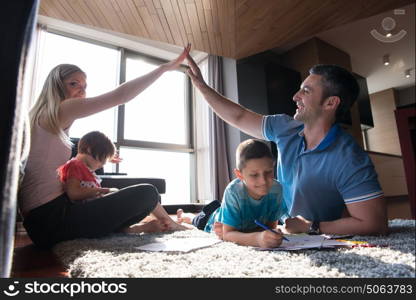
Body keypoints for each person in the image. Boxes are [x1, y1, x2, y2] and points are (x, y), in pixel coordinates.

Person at [186, 54, 387, 236]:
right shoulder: (285, 126)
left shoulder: (350, 158)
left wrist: (311, 226)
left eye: (305, 91)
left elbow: (375, 224)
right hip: (267, 220)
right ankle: (196, 215)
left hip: (292, 229)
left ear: (330, 103)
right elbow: (239, 116)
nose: (295, 97)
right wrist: (201, 85)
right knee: (204, 218)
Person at [18, 45, 191, 248]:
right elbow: (122, 95)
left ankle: (135, 229)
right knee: (148, 193)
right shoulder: (61, 109)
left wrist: (104, 157)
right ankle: (163, 223)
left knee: (123, 195)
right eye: (74, 83)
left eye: (84, 85)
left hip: (40, 223)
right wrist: (164, 68)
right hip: (53, 218)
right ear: (56, 85)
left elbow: (71, 157)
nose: (81, 90)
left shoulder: (42, 119)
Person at [177, 139, 288, 248]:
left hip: (235, 219)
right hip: (211, 219)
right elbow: (227, 234)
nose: (263, 181)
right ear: (240, 175)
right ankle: (184, 216)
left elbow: (269, 228)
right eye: (254, 175)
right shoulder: (233, 191)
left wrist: (272, 235)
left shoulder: (276, 189)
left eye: (268, 172)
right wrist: (258, 239)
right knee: (196, 221)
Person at [57, 131, 119, 202]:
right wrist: (101, 190)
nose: (100, 166)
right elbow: (73, 193)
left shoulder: (86, 170)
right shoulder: (75, 165)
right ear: (89, 150)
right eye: (101, 161)